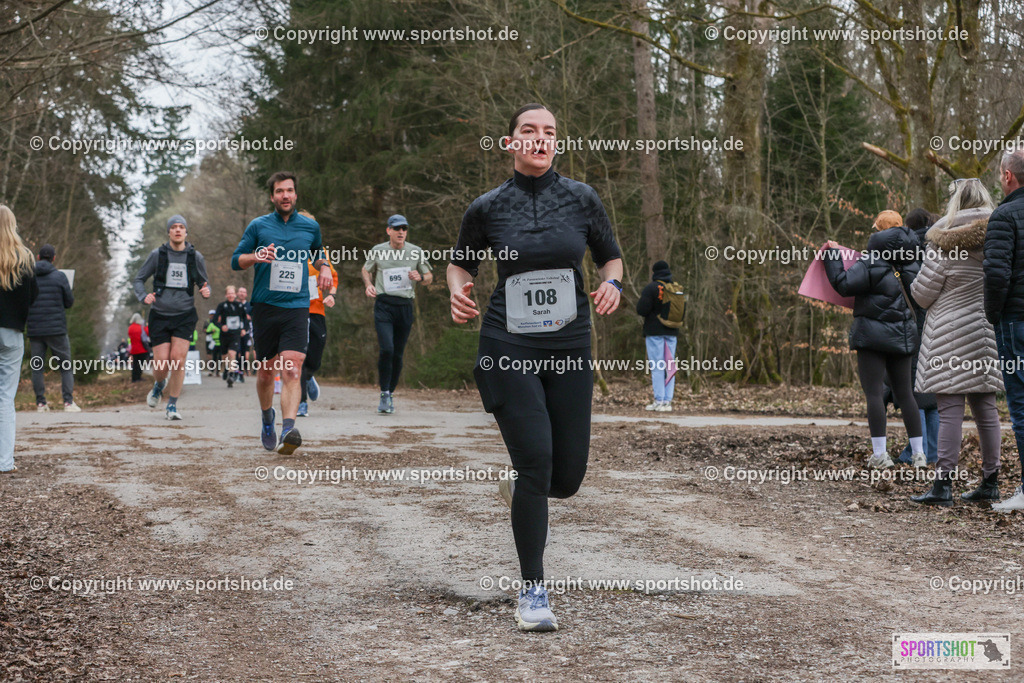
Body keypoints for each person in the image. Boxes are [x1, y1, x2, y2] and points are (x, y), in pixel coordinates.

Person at [448, 103, 623, 631]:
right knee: (537, 459)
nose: (540, 139)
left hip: (569, 346)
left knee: (565, 478)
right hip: (508, 343)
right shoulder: (487, 207)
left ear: (556, 143)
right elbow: (460, 263)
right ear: (510, 142)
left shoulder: (583, 198)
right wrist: (457, 293)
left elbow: (611, 256)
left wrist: (612, 282)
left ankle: (525, 483)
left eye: (549, 133)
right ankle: (532, 591)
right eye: (529, 131)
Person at [909, 179, 1002, 506]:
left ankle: (943, 485)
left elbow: (922, 294)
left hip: (947, 335)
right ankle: (990, 482)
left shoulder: (943, 240)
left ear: (956, 203)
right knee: (987, 411)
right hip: (985, 333)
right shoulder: (998, 235)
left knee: (950, 411)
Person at [232, 171, 333, 454]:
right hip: (265, 306)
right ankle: (268, 419)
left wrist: (324, 265)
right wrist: (256, 256)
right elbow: (235, 260)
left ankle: (288, 429)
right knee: (266, 373)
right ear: (272, 196)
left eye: (289, 190)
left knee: (292, 368)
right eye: (279, 191)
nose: (285, 195)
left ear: (296, 194)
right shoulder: (258, 226)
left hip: (297, 306)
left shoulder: (310, 227)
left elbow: (318, 252)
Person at [824, 210, 927, 469]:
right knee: (906, 395)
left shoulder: (871, 260)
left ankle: (880, 455)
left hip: (871, 337)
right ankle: (919, 455)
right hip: (903, 336)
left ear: (880, 232)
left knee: (873, 393)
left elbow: (843, 284)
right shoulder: (914, 260)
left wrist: (832, 255)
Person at [133, 215, 211, 420]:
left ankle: (172, 406)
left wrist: (206, 290)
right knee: (161, 364)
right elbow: (139, 279)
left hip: (185, 314)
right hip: (160, 314)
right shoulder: (157, 255)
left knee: (178, 359)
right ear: (168, 232)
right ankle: (159, 385)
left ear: (186, 232)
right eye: (173, 227)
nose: (177, 230)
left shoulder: (196, 257)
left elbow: (204, 282)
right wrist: (144, 296)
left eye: (181, 227)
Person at [983, 148, 1024, 511]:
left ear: (1008, 176)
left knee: (1022, 407)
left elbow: (997, 275)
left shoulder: (1004, 215)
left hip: (1016, 323)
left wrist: (992, 315)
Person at [362, 214, 433, 413]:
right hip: (384, 304)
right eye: (397, 228)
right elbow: (366, 270)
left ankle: (390, 393)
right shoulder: (378, 250)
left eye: (404, 228)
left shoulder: (416, 252)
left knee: (398, 353)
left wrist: (420, 277)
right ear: (389, 231)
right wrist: (368, 285)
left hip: (405, 306)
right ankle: (384, 393)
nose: (401, 232)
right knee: (387, 349)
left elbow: (429, 277)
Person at [896, 208, 940, 465]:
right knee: (933, 396)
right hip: (939, 327)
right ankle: (932, 451)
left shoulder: (907, 251)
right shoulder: (940, 247)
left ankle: (916, 450)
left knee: (916, 394)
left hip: (915, 326)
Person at [0, 205, 38, 474]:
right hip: (12, 334)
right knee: (5, 399)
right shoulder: (24, 258)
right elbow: (32, 296)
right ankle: (4, 461)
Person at [26, 244, 79, 412]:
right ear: (54, 258)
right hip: (56, 329)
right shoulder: (60, 277)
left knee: (37, 367)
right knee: (65, 367)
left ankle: (41, 403)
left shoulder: (28, 276)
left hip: (35, 329)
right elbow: (69, 302)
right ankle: (68, 403)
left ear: (38, 257)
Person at [299, 216, 338, 417]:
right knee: (297, 358)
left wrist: (331, 294)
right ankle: (301, 403)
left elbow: (333, 277)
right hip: (295, 311)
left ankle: (309, 376)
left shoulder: (321, 255)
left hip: (316, 311)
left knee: (314, 359)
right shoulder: (288, 251)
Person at [636, 260, 680, 412]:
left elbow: (641, 309)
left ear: (654, 272)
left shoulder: (651, 288)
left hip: (655, 333)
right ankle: (667, 402)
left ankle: (659, 400)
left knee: (657, 366)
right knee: (670, 366)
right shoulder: (675, 288)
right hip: (672, 333)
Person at [214, 285, 248, 387]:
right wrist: (221, 326)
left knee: (232, 353)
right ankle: (227, 369)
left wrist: (244, 329)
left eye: (232, 293)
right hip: (224, 334)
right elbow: (214, 320)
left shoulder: (239, 306)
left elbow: (245, 319)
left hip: (235, 334)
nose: (231, 295)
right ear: (226, 295)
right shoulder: (221, 306)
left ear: (235, 294)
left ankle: (231, 375)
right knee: (225, 356)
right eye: (229, 293)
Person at [236, 286, 253, 380]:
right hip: (234, 331)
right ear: (237, 293)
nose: (242, 293)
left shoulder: (250, 305)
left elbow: (254, 317)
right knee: (235, 352)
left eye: (244, 292)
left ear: (246, 294)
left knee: (244, 353)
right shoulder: (233, 304)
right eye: (240, 291)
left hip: (246, 331)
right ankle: (235, 370)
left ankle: (243, 370)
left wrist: (248, 317)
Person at [127, 313, 148, 382]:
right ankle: (138, 377)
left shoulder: (130, 328)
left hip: (134, 349)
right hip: (142, 348)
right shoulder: (141, 327)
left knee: (135, 364)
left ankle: (134, 378)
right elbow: (146, 333)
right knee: (140, 364)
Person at [204, 310, 221, 374]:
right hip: (214, 342)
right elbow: (207, 332)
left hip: (221, 343)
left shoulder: (222, 324)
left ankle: (218, 371)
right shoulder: (211, 324)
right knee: (214, 357)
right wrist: (212, 331)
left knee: (220, 358)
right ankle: (212, 370)